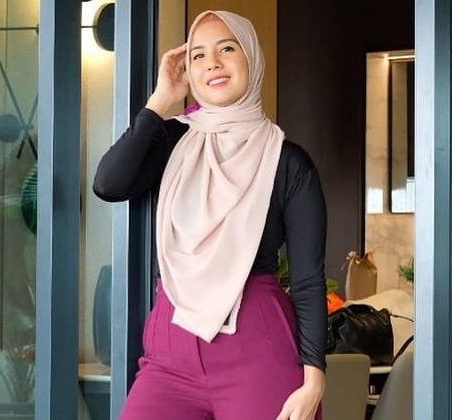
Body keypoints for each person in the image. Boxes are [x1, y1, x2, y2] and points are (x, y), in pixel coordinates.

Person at [93, 10, 327, 420]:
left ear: (251, 58)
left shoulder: (288, 162)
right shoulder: (172, 140)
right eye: (198, 55)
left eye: (227, 49)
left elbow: (308, 279)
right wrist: (161, 99)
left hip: (257, 346)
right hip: (170, 350)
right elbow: (109, 184)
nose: (212, 63)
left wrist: (314, 379)